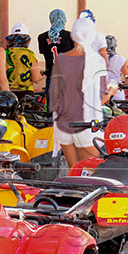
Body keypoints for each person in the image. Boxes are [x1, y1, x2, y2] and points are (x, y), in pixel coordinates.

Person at [50, 17, 105, 168]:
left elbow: (55, 93)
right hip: (86, 123)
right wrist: (113, 89)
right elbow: (102, 96)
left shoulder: (61, 59)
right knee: (89, 173)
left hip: (63, 123)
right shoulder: (96, 60)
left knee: (73, 171)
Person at [37, 9, 74, 105]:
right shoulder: (71, 36)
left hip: (51, 78)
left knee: (51, 113)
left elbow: (44, 53)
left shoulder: (42, 37)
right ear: (64, 20)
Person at [5, 23, 43, 92]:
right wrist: (42, 75)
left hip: (8, 93)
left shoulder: (5, 53)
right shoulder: (29, 54)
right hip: (25, 94)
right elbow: (36, 79)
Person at [103, 34, 126, 103]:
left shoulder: (100, 59)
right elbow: (127, 76)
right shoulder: (121, 59)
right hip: (117, 90)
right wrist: (127, 89)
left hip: (103, 91)